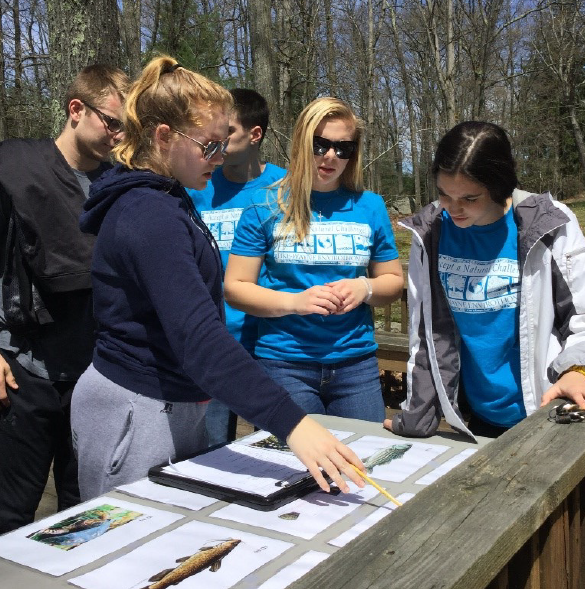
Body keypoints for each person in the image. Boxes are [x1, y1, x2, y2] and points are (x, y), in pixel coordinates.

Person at [70, 57, 364, 500]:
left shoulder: (170, 198)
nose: (220, 156)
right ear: (163, 137)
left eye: (223, 143)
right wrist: (294, 425)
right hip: (135, 407)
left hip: (172, 399)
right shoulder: (148, 213)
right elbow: (197, 337)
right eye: (209, 145)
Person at [384, 120, 585, 439]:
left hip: (550, 413)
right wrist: (419, 413)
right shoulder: (430, 235)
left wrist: (579, 371)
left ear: (499, 185)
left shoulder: (549, 224)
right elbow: (426, 334)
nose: (453, 208)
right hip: (478, 418)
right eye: (443, 194)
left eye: (470, 198)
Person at [0, 64, 129, 533]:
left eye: (125, 128)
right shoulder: (15, 169)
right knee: (11, 511)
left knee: (86, 511)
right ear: (76, 109)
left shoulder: (120, 186)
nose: (117, 136)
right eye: (110, 122)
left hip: (95, 379)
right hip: (23, 371)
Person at [224, 97, 404, 421]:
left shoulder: (371, 206)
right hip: (284, 362)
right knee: (295, 468)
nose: (330, 156)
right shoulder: (264, 203)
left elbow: (392, 281)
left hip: (355, 363)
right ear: (301, 143)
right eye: (319, 145)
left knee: (362, 462)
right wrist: (296, 302)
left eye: (343, 148)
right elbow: (236, 287)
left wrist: (365, 288)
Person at [187, 88, 286, 447]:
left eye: (227, 131)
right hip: (214, 339)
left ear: (254, 134)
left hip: (271, 341)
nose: (216, 140)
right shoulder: (198, 186)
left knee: (277, 446)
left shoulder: (284, 187)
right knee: (212, 449)